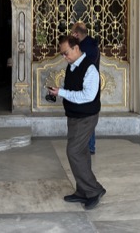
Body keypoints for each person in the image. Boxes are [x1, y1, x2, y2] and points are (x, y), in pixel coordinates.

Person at [47, 35, 106, 210]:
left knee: (73, 151)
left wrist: (62, 93)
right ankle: (82, 191)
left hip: (86, 117)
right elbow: (72, 89)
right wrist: (57, 92)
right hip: (74, 116)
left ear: (76, 48)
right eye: (62, 54)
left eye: (66, 53)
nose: (64, 57)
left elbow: (87, 96)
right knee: (81, 152)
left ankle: (94, 190)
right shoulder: (71, 66)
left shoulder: (90, 69)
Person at [70, 22, 99, 154]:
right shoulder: (90, 44)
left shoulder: (87, 47)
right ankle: (88, 145)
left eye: (72, 33)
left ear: (76, 34)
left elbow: (82, 65)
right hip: (88, 83)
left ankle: (89, 146)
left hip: (87, 84)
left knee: (87, 115)